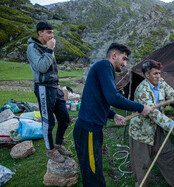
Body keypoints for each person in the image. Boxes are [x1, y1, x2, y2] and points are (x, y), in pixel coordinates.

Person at [73, 43, 153, 187]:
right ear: (114, 55)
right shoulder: (105, 66)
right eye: (124, 59)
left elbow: (100, 100)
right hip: (88, 131)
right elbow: (113, 97)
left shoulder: (104, 69)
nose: (125, 64)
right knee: (93, 177)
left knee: (94, 172)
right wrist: (140, 107)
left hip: (91, 130)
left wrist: (114, 115)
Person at [129, 59, 174, 187]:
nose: (158, 76)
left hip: (158, 129)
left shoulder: (161, 83)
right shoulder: (142, 91)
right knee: (143, 165)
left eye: (159, 73)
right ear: (147, 75)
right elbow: (155, 115)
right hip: (142, 132)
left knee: (168, 155)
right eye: (155, 74)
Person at [27, 21, 73, 163]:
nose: (52, 35)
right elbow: (41, 67)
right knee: (48, 120)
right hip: (43, 87)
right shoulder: (32, 47)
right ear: (40, 32)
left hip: (54, 87)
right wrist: (50, 50)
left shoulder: (46, 47)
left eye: (52, 32)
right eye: (49, 32)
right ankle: (51, 150)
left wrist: (58, 85)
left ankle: (58, 144)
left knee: (65, 118)